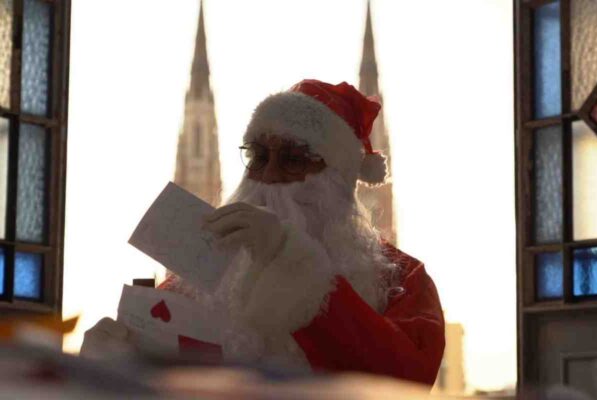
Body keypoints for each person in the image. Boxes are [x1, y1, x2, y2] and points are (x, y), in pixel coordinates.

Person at [81, 79, 445, 387]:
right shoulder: (193, 278)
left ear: (337, 179)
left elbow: (403, 383)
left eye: (293, 159)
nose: (269, 175)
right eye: (258, 156)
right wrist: (112, 373)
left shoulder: (401, 279)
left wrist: (300, 270)